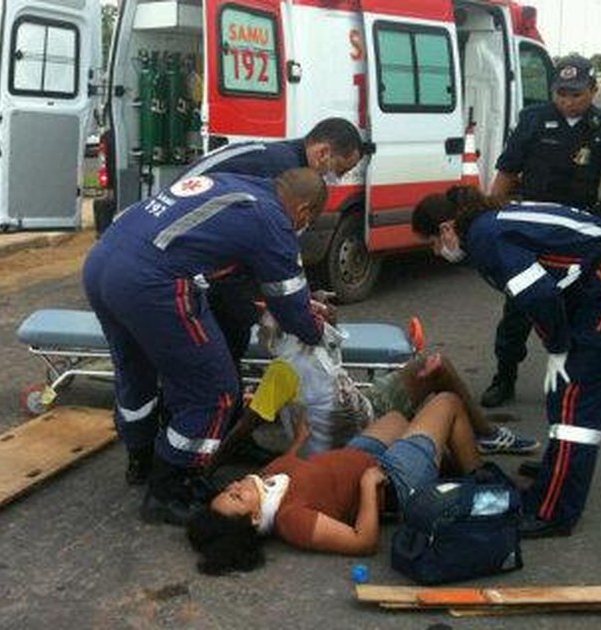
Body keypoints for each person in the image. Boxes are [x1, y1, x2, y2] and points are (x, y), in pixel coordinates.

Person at [411, 185, 601, 538]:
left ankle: (554, 512)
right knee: (564, 391)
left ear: (446, 229)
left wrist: (559, 347)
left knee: (578, 400)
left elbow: (539, 294)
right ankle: (557, 471)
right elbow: (534, 293)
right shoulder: (489, 223)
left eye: (433, 243)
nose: (437, 252)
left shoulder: (485, 237)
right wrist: (557, 343)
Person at [83, 168, 327, 525]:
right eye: (308, 220)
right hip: (151, 282)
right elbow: (291, 305)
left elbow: (221, 253)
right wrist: (316, 327)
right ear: (304, 211)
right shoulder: (272, 219)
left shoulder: (239, 183)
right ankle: (168, 489)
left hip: (102, 261)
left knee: (135, 371)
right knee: (214, 391)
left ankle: (141, 460)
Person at [176, 118, 364, 458]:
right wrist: (305, 321)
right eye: (338, 170)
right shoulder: (278, 173)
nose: (333, 180)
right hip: (189, 265)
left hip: (199, 257)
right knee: (214, 367)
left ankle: (227, 440)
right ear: (323, 152)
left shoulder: (282, 160)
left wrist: (295, 298)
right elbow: (267, 257)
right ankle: (203, 453)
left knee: (227, 349)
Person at [480, 55, 601, 408]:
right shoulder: (532, 120)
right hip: (531, 232)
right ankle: (505, 376)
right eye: (561, 92)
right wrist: (486, 220)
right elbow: (506, 172)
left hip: (580, 235)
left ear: (593, 90)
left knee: (579, 308)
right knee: (520, 304)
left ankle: (573, 382)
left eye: (576, 93)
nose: (567, 100)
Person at [186, 393, 483, 574]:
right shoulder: (292, 520)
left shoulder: (262, 484)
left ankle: (444, 459)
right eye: (236, 498)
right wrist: (368, 485)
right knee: (446, 403)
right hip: (391, 480)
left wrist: (299, 442)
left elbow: (290, 471)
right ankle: (482, 486)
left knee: (396, 418)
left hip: (361, 454)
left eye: (228, 490)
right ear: (254, 518)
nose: (235, 487)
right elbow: (363, 542)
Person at [209, 311, 538, 469]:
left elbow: (251, 422)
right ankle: (476, 442)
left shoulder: (306, 346)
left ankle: (481, 436)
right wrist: (209, 463)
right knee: (438, 379)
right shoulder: (283, 370)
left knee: (435, 367)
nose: (319, 313)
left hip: (363, 409)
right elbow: (245, 426)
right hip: (366, 425)